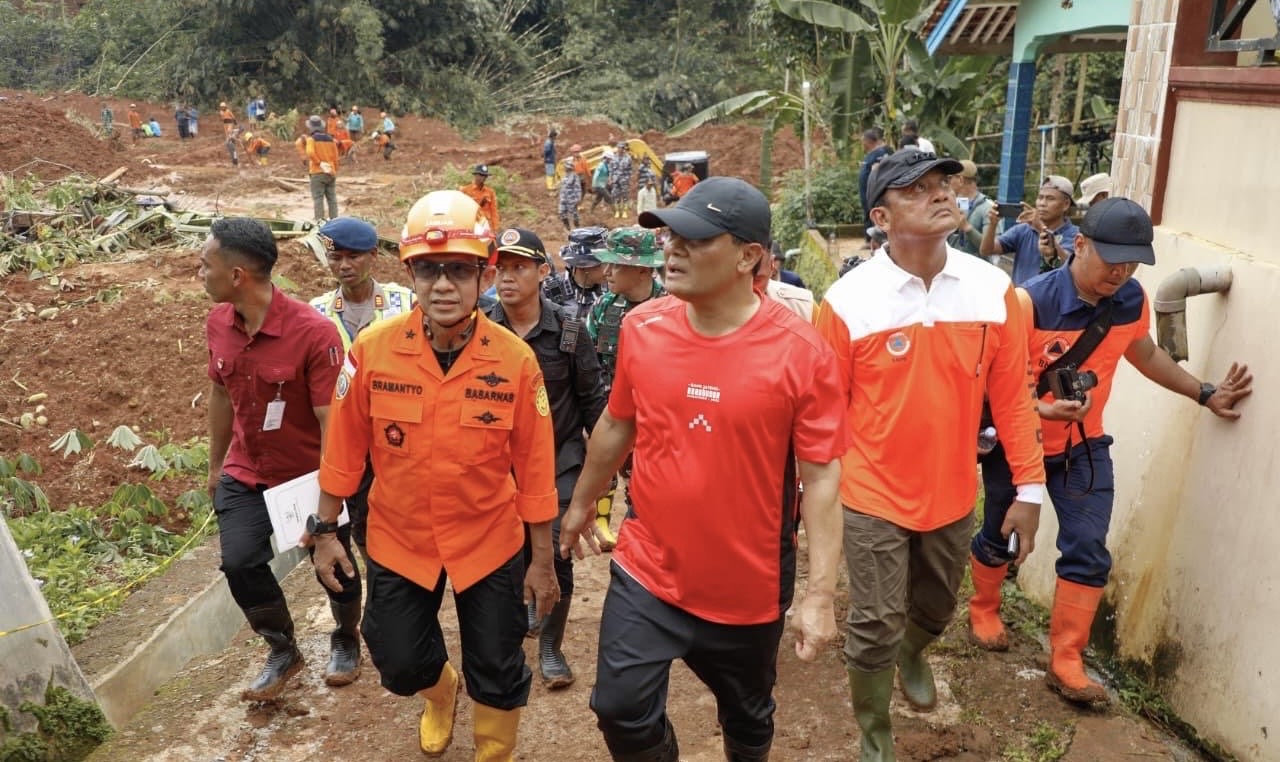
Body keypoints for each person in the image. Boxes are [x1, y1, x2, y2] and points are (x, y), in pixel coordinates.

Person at [559, 178, 847, 762]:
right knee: (618, 709)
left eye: (694, 239)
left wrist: (819, 595)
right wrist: (582, 502)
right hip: (649, 567)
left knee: (747, 717)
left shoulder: (801, 352)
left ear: (747, 257)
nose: (672, 249)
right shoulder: (644, 327)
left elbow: (820, 478)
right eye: (671, 236)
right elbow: (617, 422)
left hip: (747, 585)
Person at [967, 197, 1253, 705]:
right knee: (1000, 534)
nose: (1120, 273)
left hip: (1084, 447)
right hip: (1020, 444)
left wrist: (1203, 393)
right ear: (1080, 244)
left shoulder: (1129, 301)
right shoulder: (1030, 303)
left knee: (1088, 546)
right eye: (1112, 260)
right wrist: (1042, 409)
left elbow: (1142, 352)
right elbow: (991, 384)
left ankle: (1067, 658)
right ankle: (984, 608)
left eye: (1132, 263)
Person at [814, 148, 1046, 761]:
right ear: (881, 218)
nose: (940, 193)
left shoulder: (992, 290)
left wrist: (1029, 489)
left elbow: (1014, 398)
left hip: (952, 489)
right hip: (869, 491)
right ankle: (875, 735)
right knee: (874, 621)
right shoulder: (847, 301)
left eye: (943, 183)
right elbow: (824, 413)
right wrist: (811, 498)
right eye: (915, 190)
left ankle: (913, 652)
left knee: (938, 606)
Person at [310, 190, 557, 758]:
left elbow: (536, 466)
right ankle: (441, 692)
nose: (443, 285)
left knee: (498, 664)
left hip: (488, 539)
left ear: (483, 275)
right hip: (401, 537)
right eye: (428, 270)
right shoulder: (371, 352)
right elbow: (343, 450)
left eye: (459, 270)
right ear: (410, 275)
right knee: (397, 659)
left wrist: (541, 559)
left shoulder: (515, 361)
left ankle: (493, 752)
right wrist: (324, 532)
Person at [200, 217, 363, 700]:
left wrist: (329, 509)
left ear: (237, 276)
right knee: (239, 562)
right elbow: (220, 394)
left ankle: (346, 636)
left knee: (334, 563)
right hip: (246, 469)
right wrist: (215, 465)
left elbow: (332, 423)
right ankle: (282, 647)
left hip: (308, 474)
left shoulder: (313, 333)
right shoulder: (218, 323)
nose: (199, 273)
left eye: (205, 265)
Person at [486, 226, 609, 689]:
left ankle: (551, 648)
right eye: (501, 268)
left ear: (542, 272)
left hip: (559, 460)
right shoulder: (480, 329)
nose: (507, 277)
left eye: (519, 267)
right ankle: (521, 618)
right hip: (497, 465)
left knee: (556, 550)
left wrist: (603, 476)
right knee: (507, 553)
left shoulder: (570, 331)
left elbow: (592, 402)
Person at [309, 218, 414, 563]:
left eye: (353, 257)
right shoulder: (317, 312)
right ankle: (377, 572)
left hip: (400, 432)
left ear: (373, 256)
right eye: (336, 257)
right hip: (349, 434)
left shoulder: (406, 303)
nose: (344, 266)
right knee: (360, 519)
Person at [585, 228, 666, 551]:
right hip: (611, 408)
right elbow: (590, 362)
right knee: (605, 468)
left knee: (646, 478)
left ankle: (643, 528)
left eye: (616, 265)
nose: (606, 272)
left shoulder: (673, 307)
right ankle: (604, 523)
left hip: (657, 414)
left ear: (643, 270)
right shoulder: (604, 308)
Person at [981, 175, 1079, 286]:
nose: (1042, 203)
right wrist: (992, 224)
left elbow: (1069, 264)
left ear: (1066, 204)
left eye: (1050, 198)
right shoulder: (1023, 229)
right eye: (1040, 197)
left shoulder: (1075, 235)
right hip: (1021, 296)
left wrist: (1040, 228)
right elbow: (986, 250)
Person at [545, 226, 608, 320]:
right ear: (583, 265)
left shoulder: (613, 289)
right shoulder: (551, 291)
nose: (609, 269)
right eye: (603, 264)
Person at [296, 115, 340, 221]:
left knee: (318, 198)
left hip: (317, 173)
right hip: (330, 172)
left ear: (311, 127)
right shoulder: (331, 140)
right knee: (332, 199)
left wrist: (319, 163)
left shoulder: (311, 139)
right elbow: (336, 157)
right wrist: (334, 170)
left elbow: (310, 152)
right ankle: (335, 220)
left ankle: (319, 221)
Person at [947, 159, 994, 257]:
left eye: (951, 177)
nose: (948, 181)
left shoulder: (988, 207)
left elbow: (992, 248)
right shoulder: (952, 203)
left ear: (961, 180)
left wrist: (968, 228)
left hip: (977, 265)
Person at [858, 128, 891, 246]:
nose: (862, 144)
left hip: (873, 191)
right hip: (866, 191)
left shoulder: (880, 153)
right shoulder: (872, 153)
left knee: (873, 213)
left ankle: (875, 240)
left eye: (863, 141)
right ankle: (869, 239)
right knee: (868, 212)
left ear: (869, 141)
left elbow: (878, 171)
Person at [460, 164, 500, 232]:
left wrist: (495, 229)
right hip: (471, 226)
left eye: (485, 176)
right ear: (475, 175)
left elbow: (494, 212)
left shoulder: (490, 192)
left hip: (486, 228)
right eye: (481, 175)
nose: (483, 178)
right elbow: (461, 211)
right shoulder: (465, 190)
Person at [557, 156, 583, 231]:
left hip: (572, 199)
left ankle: (578, 228)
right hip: (563, 199)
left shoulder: (574, 176)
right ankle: (567, 228)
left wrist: (578, 199)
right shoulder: (565, 176)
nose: (564, 167)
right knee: (561, 212)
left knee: (574, 214)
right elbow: (562, 187)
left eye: (565, 166)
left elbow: (578, 188)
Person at [610, 141, 633, 219]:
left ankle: (624, 211)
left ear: (624, 148)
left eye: (622, 148)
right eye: (619, 147)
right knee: (616, 195)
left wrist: (627, 178)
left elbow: (630, 169)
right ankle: (617, 211)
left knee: (625, 195)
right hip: (616, 180)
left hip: (624, 179)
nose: (621, 149)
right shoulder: (613, 157)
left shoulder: (628, 158)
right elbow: (611, 169)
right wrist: (611, 178)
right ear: (617, 148)